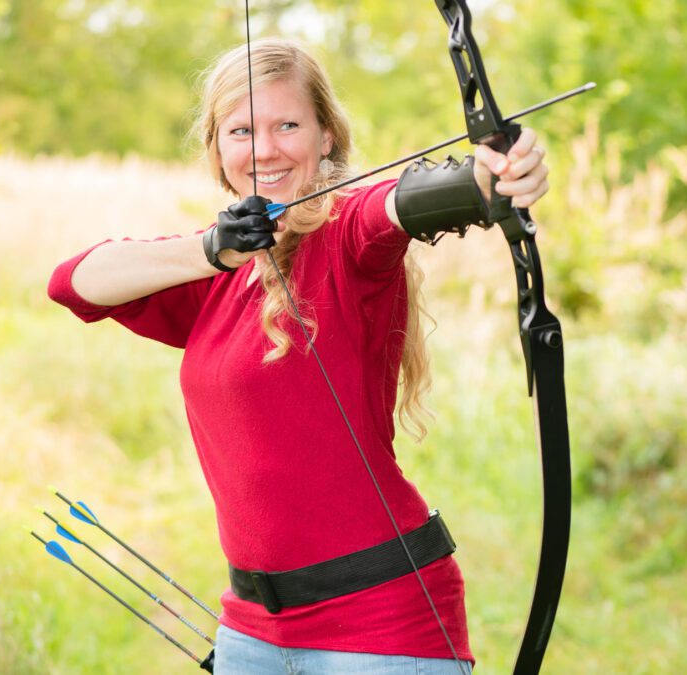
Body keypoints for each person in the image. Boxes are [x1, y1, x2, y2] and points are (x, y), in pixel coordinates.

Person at [48, 38, 550, 674]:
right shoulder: (217, 274)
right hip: (251, 630)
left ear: (327, 139)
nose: (264, 149)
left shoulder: (348, 238)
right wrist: (211, 249)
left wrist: (491, 177)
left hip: (380, 629)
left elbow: (399, 204)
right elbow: (72, 283)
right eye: (241, 130)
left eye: (288, 124)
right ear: (217, 148)